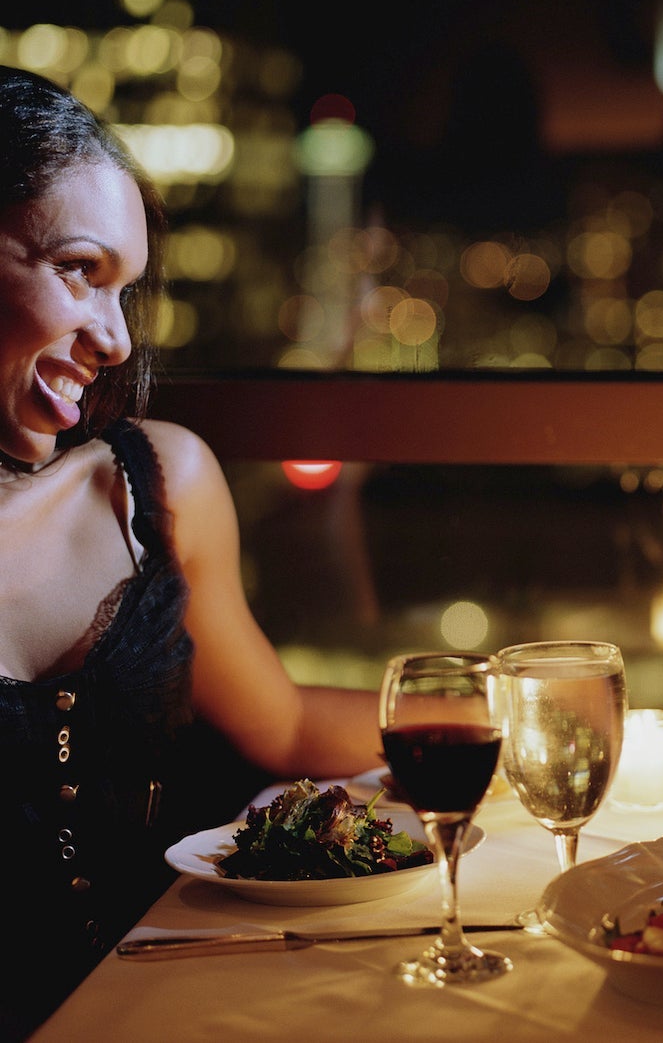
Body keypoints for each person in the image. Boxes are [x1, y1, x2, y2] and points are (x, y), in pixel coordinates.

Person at [0, 67, 383, 1040]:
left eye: (125, 291)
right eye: (79, 269)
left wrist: (508, 708)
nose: (116, 340)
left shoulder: (154, 487)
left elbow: (284, 724)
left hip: (181, 1010)